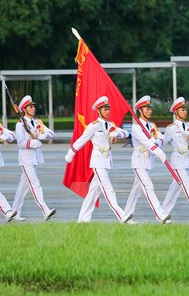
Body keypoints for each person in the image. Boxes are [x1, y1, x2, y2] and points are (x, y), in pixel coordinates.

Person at [64, 96, 132, 224]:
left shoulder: (110, 125)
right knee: (108, 189)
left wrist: (116, 133)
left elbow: (126, 134)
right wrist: (70, 154)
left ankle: (83, 219)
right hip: (98, 161)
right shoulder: (93, 126)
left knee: (93, 192)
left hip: (107, 161)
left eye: (108, 109)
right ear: (98, 111)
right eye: (105, 109)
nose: (107, 111)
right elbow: (81, 140)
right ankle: (122, 215)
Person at [124, 95, 170, 224]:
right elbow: (147, 143)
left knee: (136, 191)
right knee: (148, 186)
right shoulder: (136, 127)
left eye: (150, 108)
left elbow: (161, 139)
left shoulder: (151, 126)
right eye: (146, 108)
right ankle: (160, 215)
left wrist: (156, 141)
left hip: (148, 161)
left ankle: (126, 216)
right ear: (140, 110)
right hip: (138, 161)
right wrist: (158, 151)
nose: (149, 111)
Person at [11, 95, 56, 221]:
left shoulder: (37, 123)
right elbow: (20, 143)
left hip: (35, 158)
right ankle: (45, 210)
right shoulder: (20, 124)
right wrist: (33, 142)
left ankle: (14, 212)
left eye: (33, 106)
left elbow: (51, 133)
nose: (33, 108)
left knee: (23, 188)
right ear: (24, 109)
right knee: (35, 184)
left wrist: (41, 136)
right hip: (26, 159)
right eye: (30, 107)